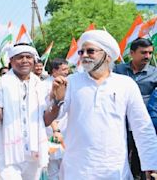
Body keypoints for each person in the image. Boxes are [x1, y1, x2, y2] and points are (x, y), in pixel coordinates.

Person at [44, 30, 157, 179]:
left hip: (114, 169)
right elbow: (49, 119)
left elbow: (142, 126)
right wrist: (57, 100)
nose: (84, 55)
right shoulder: (71, 82)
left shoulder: (125, 84)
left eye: (90, 51)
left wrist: (151, 164)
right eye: (81, 52)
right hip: (77, 169)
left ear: (107, 55)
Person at [0, 44, 49, 180]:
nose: (24, 60)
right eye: (20, 57)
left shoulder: (40, 85)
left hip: (35, 149)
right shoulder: (1, 83)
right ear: (11, 60)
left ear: (34, 61)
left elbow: (45, 119)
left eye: (28, 57)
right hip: (8, 150)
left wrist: (57, 100)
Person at [114, 38, 157, 179]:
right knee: (120, 157)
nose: (148, 56)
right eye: (143, 52)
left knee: (142, 160)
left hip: (143, 125)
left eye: (150, 53)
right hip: (119, 123)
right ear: (132, 53)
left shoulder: (155, 74)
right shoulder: (117, 70)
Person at [44, 58, 69, 180]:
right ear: (54, 71)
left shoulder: (68, 84)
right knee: (53, 165)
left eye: (67, 69)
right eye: (63, 69)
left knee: (66, 165)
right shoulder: (45, 86)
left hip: (67, 132)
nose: (66, 72)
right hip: (52, 133)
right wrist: (56, 130)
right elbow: (47, 109)